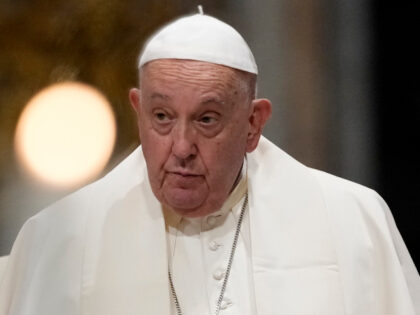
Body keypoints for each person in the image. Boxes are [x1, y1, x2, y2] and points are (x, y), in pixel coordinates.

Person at [0, 10, 419, 315]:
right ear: (137, 109)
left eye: (206, 119)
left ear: (253, 124)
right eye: (162, 117)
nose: (181, 146)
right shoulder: (59, 240)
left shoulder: (351, 221)